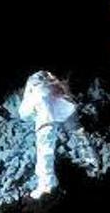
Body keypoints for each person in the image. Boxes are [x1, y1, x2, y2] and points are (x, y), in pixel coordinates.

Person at [18, 70, 77, 199]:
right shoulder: (42, 82)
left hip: (45, 122)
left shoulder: (37, 85)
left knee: (45, 153)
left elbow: (25, 112)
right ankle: (48, 184)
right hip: (48, 119)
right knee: (45, 153)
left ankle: (48, 186)